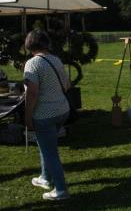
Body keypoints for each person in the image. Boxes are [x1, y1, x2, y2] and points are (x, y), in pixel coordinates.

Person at [24, 30, 71, 200]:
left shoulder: (32, 63)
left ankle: (61, 190)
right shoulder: (56, 60)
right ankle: (45, 178)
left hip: (44, 115)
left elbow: (32, 93)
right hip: (63, 110)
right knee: (47, 147)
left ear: (29, 44)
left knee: (50, 152)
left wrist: (27, 117)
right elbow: (67, 84)